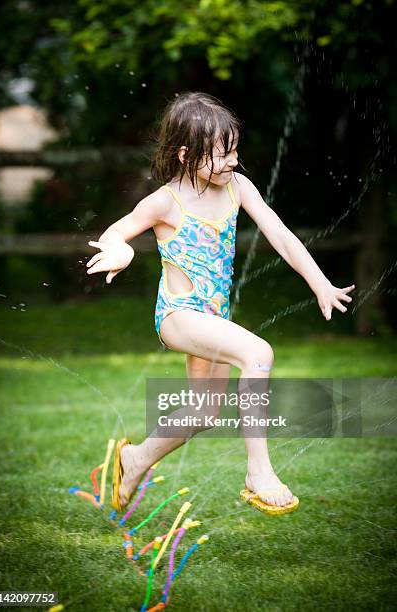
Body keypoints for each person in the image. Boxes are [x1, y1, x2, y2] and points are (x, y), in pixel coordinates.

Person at [86, 91, 355, 515]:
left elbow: (281, 235)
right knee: (258, 353)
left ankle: (133, 460)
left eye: (234, 150)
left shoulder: (237, 188)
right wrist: (122, 251)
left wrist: (320, 283)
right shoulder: (166, 201)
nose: (232, 162)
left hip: (213, 318)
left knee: (204, 411)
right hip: (179, 315)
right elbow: (114, 233)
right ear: (185, 154)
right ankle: (259, 472)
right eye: (220, 154)